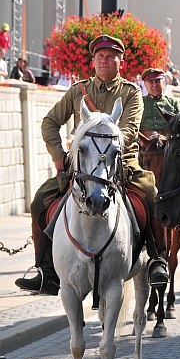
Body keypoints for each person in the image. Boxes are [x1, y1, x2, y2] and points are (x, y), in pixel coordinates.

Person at [15, 34, 169, 296]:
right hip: (81, 165)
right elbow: (49, 122)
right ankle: (45, 271)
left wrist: (108, 145)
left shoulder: (131, 93)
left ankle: (157, 259)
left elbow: (129, 131)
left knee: (152, 195)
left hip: (121, 164)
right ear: (93, 61)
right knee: (40, 200)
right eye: (100, 57)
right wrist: (58, 155)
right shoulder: (78, 91)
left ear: (120, 62)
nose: (105, 61)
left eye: (110, 57)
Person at [139, 67, 180, 135]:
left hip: (168, 142)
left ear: (163, 83)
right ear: (145, 85)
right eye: (151, 82)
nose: (155, 85)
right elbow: (133, 125)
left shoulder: (173, 103)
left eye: (158, 81)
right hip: (145, 143)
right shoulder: (139, 102)